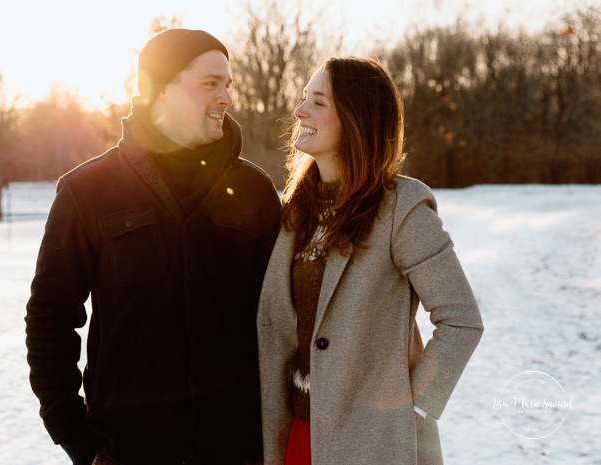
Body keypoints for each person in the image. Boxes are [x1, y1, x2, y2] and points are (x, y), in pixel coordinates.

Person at [25, 28, 281, 465]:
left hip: (238, 449)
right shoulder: (86, 192)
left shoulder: (255, 191)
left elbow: (286, 319)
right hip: (127, 451)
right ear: (160, 89)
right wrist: (74, 435)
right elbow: (51, 317)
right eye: (210, 83)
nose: (227, 98)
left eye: (228, 85)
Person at [257, 56, 484, 465]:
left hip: (373, 443)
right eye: (304, 97)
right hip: (298, 433)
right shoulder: (294, 211)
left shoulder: (402, 208)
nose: (299, 111)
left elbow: (461, 318)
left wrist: (414, 407)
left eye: (319, 102)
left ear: (356, 119)